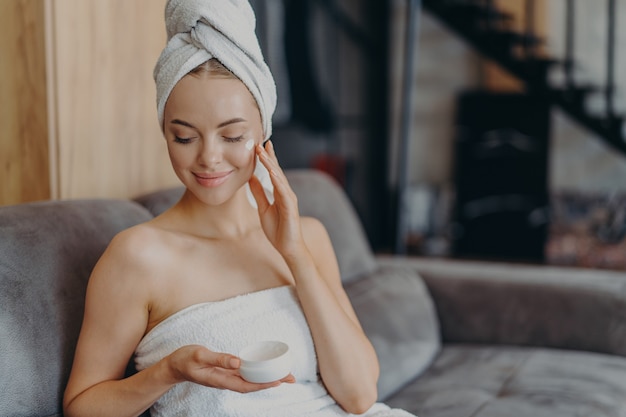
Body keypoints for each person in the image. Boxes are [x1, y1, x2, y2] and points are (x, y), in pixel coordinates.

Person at [63, 1, 417, 416]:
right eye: (184, 137)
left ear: (263, 133)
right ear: (164, 132)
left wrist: (295, 254)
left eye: (232, 136)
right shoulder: (136, 258)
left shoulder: (308, 238)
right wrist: (169, 371)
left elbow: (358, 396)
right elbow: (81, 407)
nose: (209, 158)